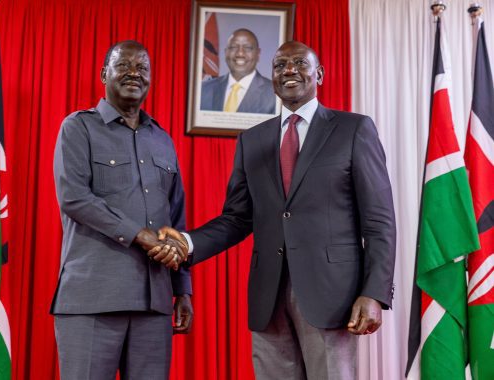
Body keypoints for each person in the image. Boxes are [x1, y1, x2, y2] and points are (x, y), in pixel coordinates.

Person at [151, 41, 396, 379]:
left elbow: (379, 220)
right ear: (272, 77)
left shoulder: (354, 129)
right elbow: (237, 218)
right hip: (268, 296)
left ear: (319, 74)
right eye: (280, 65)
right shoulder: (252, 140)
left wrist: (374, 293)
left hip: (333, 296)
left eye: (299, 63)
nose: (289, 70)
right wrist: (187, 243)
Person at [51, 40, 192, 380]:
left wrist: (183, 288)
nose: (134, 73)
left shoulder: (162, 139)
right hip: (92, 299)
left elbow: (176, 218)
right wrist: (139, 236)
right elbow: (74, 197)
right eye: (124, 66)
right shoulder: (78, 127)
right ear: (104, 74)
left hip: (153, 302)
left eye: (142, 68)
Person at [200, 28, 276, 114]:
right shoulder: (203, 90)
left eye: (247, 48)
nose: (240, 53)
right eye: (233, 47)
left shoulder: (275, 94)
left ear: (258, 54)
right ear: (226, 52)